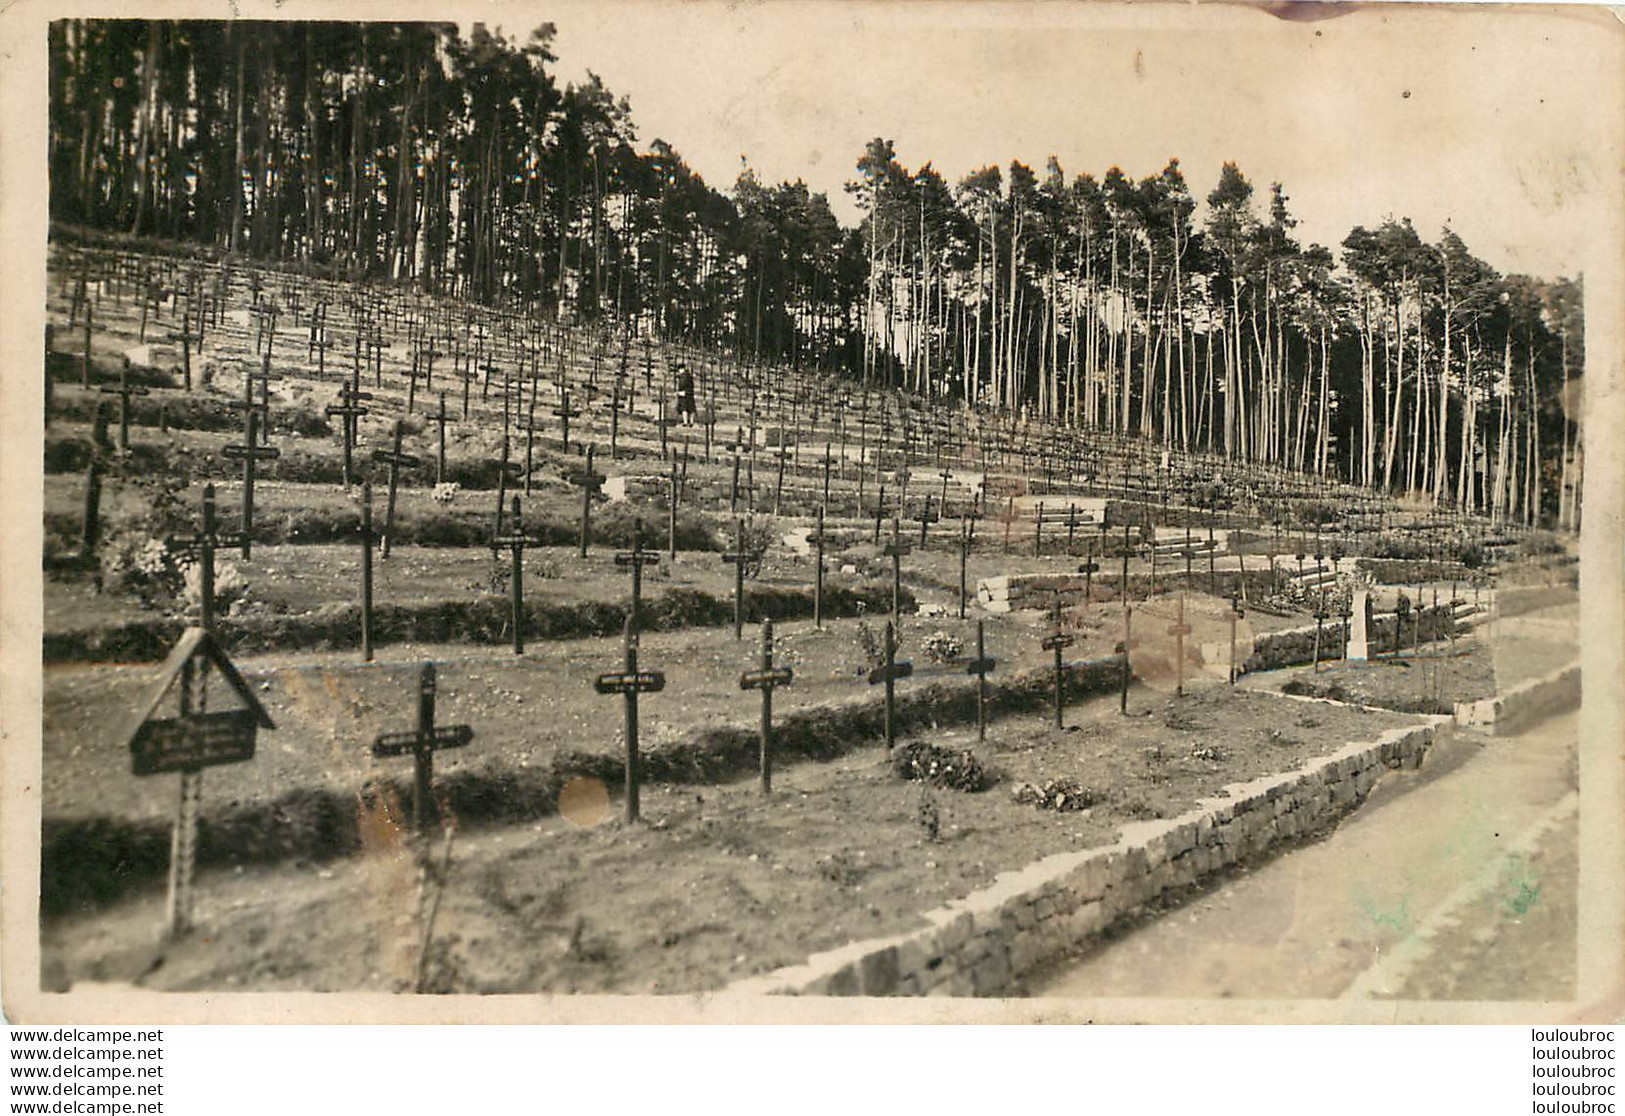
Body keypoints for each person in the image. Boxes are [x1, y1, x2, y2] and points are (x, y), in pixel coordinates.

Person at [676, 362, 696, 427]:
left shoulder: (684, 376)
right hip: (689, 393)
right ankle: (691, 422)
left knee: (684, 408)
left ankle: (686, 422)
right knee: (690, 408)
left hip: (685, 394)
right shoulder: (688, 375)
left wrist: (682, 392)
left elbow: (683, 385)